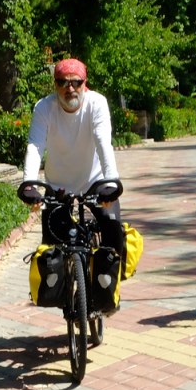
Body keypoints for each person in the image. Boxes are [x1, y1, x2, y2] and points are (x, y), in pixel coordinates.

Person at [17, 58, 123, 251]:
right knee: (51, 253)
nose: (70, 88)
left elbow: (103, 142)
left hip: (94, 181)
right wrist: (29, 184)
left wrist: (111, 183)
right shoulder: (44, 107)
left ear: (85, 82)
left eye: (76, 82)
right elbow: (35, 145)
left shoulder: (97, 103)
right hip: (57, 185)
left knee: (114, 239)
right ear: (55, 85)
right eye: (63, 82)